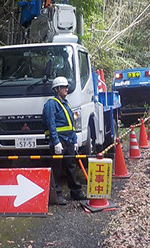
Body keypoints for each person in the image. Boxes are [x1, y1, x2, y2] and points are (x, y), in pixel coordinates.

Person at [42, 76, 86, 205]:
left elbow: (70, 124)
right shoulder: (51, 104)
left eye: (67, 87)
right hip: (59, 140)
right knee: (56, 168)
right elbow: (51, 124)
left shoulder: (65, 104)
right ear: (56, 89)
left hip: (68, 140)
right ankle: (57, 194)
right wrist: (55, 142)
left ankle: (76, 192)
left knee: (71, 165)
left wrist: (74, 139)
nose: (67, 89)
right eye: (64, 87)